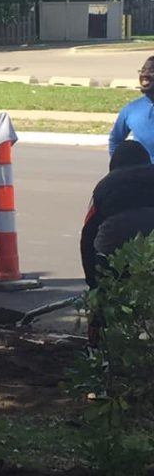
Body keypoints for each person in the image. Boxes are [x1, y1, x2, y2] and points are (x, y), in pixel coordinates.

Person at [80, 140, 154, 346]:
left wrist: (94, 283)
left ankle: (97, 347)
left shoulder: (105, 185)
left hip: (114, 236)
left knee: (105, 296)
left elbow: (88, 235)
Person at [108, 56, 154, 161]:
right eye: (142, 70)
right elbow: (115, 140)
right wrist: (119, 168)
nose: (145, 74)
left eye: (152, 71)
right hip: (142, 175)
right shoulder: (131, 109)